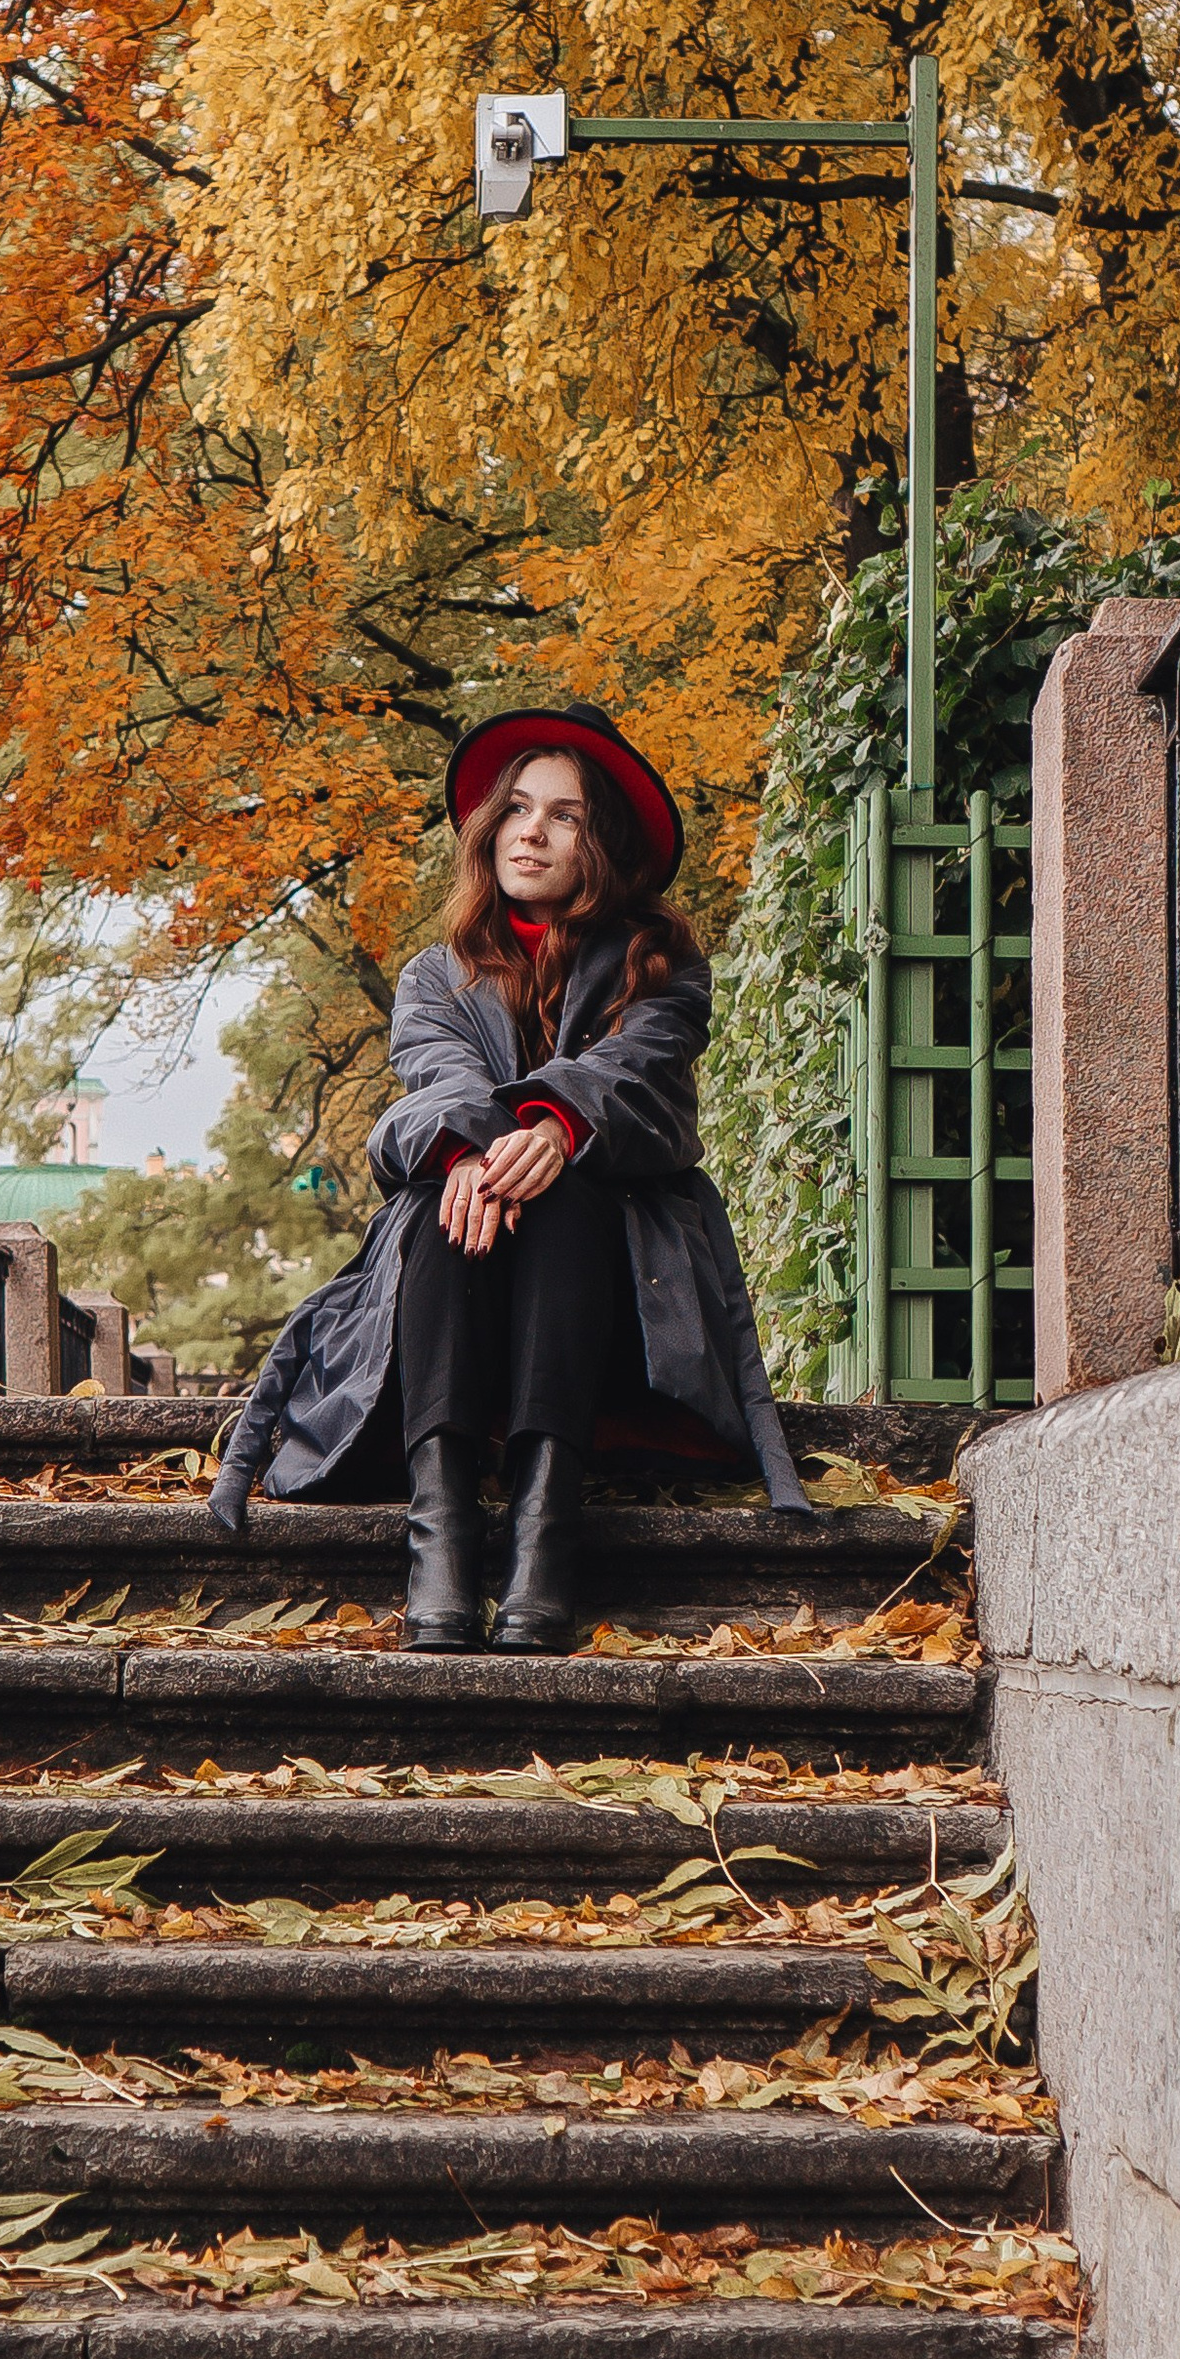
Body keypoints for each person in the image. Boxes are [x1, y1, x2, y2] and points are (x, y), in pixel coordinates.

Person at [209, 700, 810, 1650]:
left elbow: (637, 1081)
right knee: (449, 1195)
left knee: (562, 1184)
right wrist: (476, 1152)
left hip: (617, 1319)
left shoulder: (663, 968)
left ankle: (543, 1538)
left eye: (564, 814)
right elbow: (433, 1085)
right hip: (458, 1308)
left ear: (601, 839)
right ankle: (440, 1542)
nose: (531, 829)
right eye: (519, 807)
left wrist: (553, 1127)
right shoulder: (433, 976)